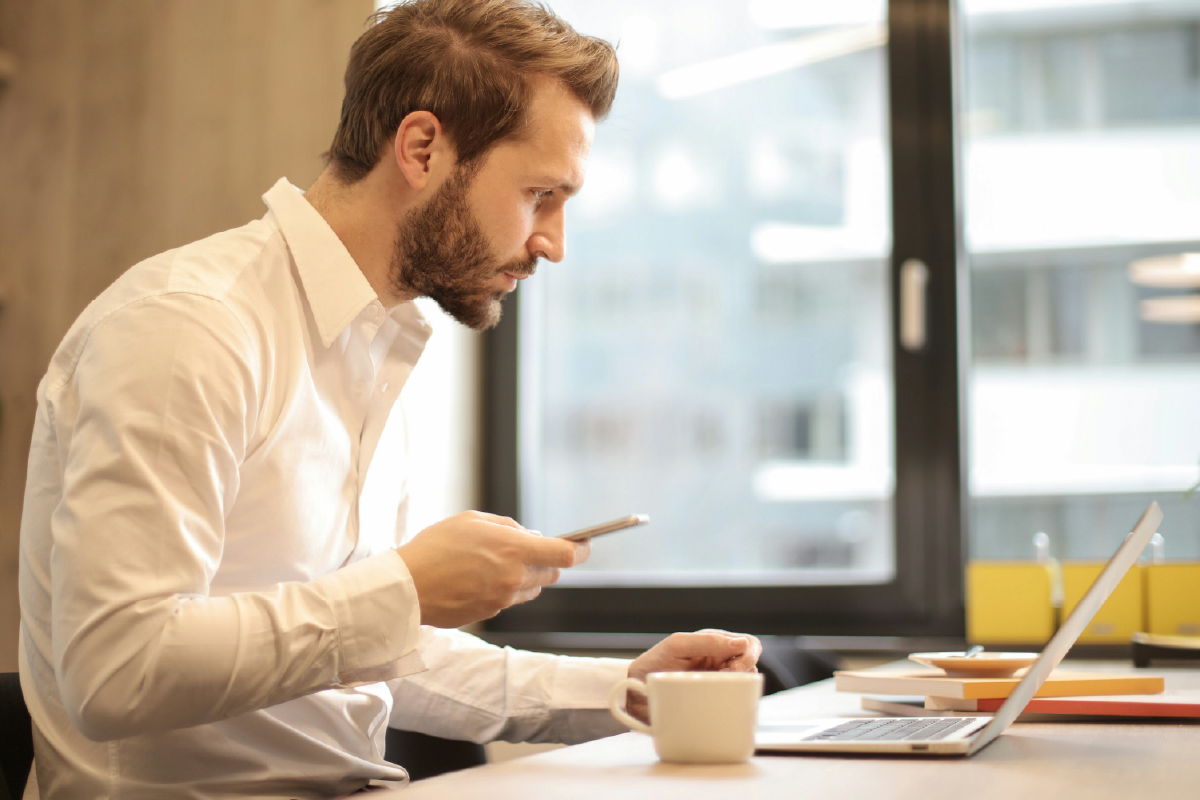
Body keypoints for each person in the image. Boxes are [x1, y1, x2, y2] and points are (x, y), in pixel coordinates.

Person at [16, 1, 762, 797]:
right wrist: (404, 588)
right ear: (421, 147)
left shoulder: (375, 347)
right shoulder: (187, 329)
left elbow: (359, 647)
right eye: (540, 193)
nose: (554, 242)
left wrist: (623, 691)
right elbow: (115, 670)